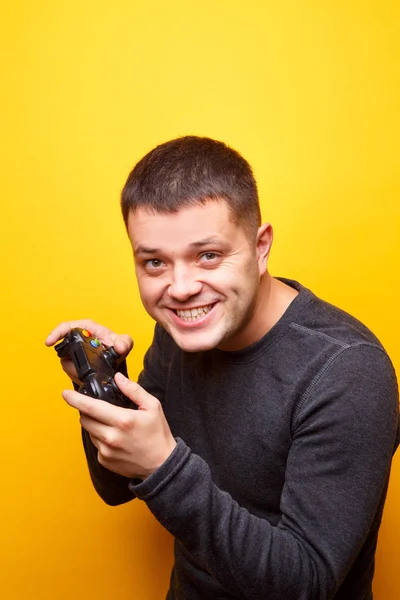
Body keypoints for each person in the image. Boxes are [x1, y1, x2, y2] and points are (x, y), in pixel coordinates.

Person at [46, 136, 399, 600]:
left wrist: (164, 465)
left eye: (207, 255)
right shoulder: (174, 337)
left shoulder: (347, 372)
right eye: (154, 262)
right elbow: (117, 486)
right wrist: (105, 391)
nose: (180, 288)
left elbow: (306, 586)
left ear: (261, 246)